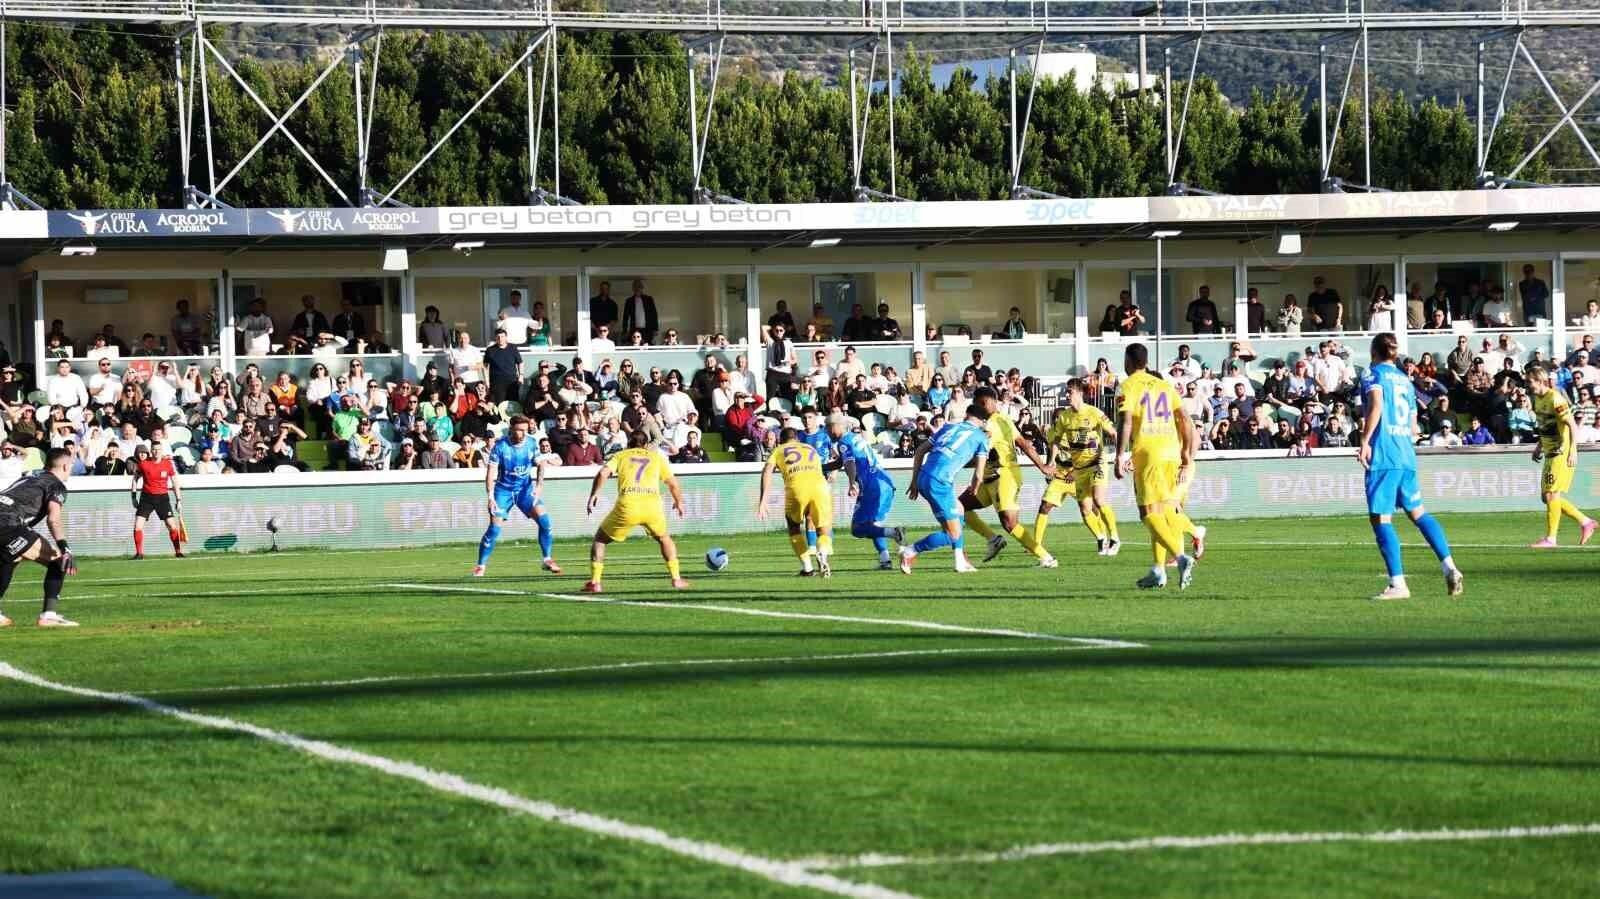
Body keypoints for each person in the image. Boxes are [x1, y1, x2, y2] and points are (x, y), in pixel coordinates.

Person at [1357, 332, 1465, 600]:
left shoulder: (1372, 374)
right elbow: (1415, 423)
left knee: (1380, 518)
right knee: (1418, 513)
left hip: (1385, 454)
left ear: (1374, 352)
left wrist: (1365, 440)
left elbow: (1377, 404)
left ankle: (1398, 584)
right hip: (1406, 454)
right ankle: (1449, 566)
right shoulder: (1406, 381)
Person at [1115, 342, 1198, 590]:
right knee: (1161, 513)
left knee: (1148, 514)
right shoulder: (1164, 385)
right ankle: (1158, 570)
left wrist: (1120, 455)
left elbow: (1126, 420)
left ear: (1129, 361)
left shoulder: (1128, 385)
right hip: (1171, 451)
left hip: (1148, 453)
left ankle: (1180, 557)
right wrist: (1186, 453)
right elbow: (1185, 418)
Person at [581, 429, 688, 593]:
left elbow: (603, 473)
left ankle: (595, 582)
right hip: (652, 505)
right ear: (646, 445)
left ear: (629, 443)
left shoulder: (621, 456)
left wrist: (594, 494)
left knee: (600, 540)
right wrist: (679, 501)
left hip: (628, 505)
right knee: (664, 538)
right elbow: (672, 483)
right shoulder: (656, 457)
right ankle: (676, 579)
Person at [960, 387, 1056, 567]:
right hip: (987, 479)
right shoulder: (1003, 418)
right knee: (959, 507)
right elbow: (1023, 444)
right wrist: (1042, 466)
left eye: (979, 403)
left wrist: (953, 462)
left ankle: (1046, 558)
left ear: (986, 402)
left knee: (1009, 523)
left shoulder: (990, 424)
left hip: (1003, 477)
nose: (977, 406)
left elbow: (977, 455)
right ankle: (993, 539)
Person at [899, 401, 991, 574]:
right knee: (952, 534)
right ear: (982, 421)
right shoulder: (981, 437)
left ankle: (960, 562)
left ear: (967, 416)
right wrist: (975, 488)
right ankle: (910, 551)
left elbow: (919, 451)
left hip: (924, 476)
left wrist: (914, 482)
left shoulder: (948, 427)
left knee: (959, 510)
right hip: (940, 482)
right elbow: (979, 474)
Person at [1036, 378, 1120, 557]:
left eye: (1070, 392)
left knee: (1098, 499)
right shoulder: (1065, 417)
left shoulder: (1094, 412)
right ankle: (1101, 537)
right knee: (1085, 509)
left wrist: (1121, 456)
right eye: (1066, 392)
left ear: (1080, 393)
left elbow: (1113, 432)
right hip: (1079, 469)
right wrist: (1050, 463)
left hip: (1097, 463)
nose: (1067, 395)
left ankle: (1115, 538)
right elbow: (1056, 441)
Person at [0, 449, 80, 628]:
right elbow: (54, 518)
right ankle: (49, 615)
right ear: (66, 466)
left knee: (11, 558)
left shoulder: (32, 475)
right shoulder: (56, 484)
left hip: (5, 518)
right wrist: (65, 547)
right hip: (8, 522)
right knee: (58, 560)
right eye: (71, 465)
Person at [473, 415, 559, 577]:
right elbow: (490, 472)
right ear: (511, 429)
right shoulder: (500, 446)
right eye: (519, 430)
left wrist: (539, 486)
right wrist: (490, 497)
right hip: (503, 491)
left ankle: (547, 559)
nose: (523, 434)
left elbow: (540, 464)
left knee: (545, 521)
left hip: (524, 490)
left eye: (525, 430)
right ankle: (480, 566)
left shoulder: (532, 443)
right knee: (494, 529)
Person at [1525, 364, 1597, 548]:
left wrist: (1573, 450)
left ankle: (1551, 539)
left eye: (1530, 381)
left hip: (1561, 452)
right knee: (1547, 497)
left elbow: (1572, 425)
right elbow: (1545, 425)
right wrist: (1539, 446)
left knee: (1551, 495)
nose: (1528, 385)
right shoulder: (1537, 399)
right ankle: (1585, 522)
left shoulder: (1555, 399)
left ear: (1539, 380)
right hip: (1549, 452)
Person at [824, 413, 904, 570]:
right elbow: (842, 461)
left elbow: (849, 463)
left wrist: (852, 482)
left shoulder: (843, 442)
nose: (827, 432)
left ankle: (894, 532)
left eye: (828, 428)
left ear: (836, 426)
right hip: (884, 483)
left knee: (858, 528)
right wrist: (821, 467)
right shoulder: (855, 438)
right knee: (873, 524)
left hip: (871, 486)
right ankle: (885, 560)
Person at [757, 426, 835, 577]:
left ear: (780, 440)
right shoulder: (810, 448)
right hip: (821, 487)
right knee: (823, 530)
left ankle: (807, 568)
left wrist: (763, 500)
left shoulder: (779, 450)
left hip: (797, 488)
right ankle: (822, 554)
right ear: (797, 439)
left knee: (794, 527)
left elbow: (767, 471)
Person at [129, 442, 184, 560]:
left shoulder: (168, 464)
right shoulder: (143, 464)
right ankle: (139, 553)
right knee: (137, 526)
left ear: (162, 450)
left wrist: (178, 500)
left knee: (171, 525)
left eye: (158, 449)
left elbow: (175, 482)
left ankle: (178, 552)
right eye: (154, 449)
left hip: (162, 498)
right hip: (146, 498)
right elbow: (135, 479)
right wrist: (133, 496)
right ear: (151, 450)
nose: (156, 451)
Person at [483, 328, 524, 404]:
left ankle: (514, 416)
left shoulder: (513, 348)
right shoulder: (490, 350)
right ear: (495, 338)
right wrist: (486, 382)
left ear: (506, 337)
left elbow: (520, 362)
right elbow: (485, 367)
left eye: (502, 336)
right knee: (499, 403)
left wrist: (521, 375)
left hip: (512, 381)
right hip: (496, 382)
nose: (500, 339)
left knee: (513, 403)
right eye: (498, 337)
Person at [621, 279, 659, 345]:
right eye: (635, 287)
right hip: (635, 329)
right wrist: (624, 331)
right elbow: (625, 317)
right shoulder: (629, 301)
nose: (637, 288)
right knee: (635, 346)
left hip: (647, 329)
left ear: (642, 288)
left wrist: (655, 328)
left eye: (639, 286)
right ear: (633, 288)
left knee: (647, 346)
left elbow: (654, 314)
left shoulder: (649, 299)